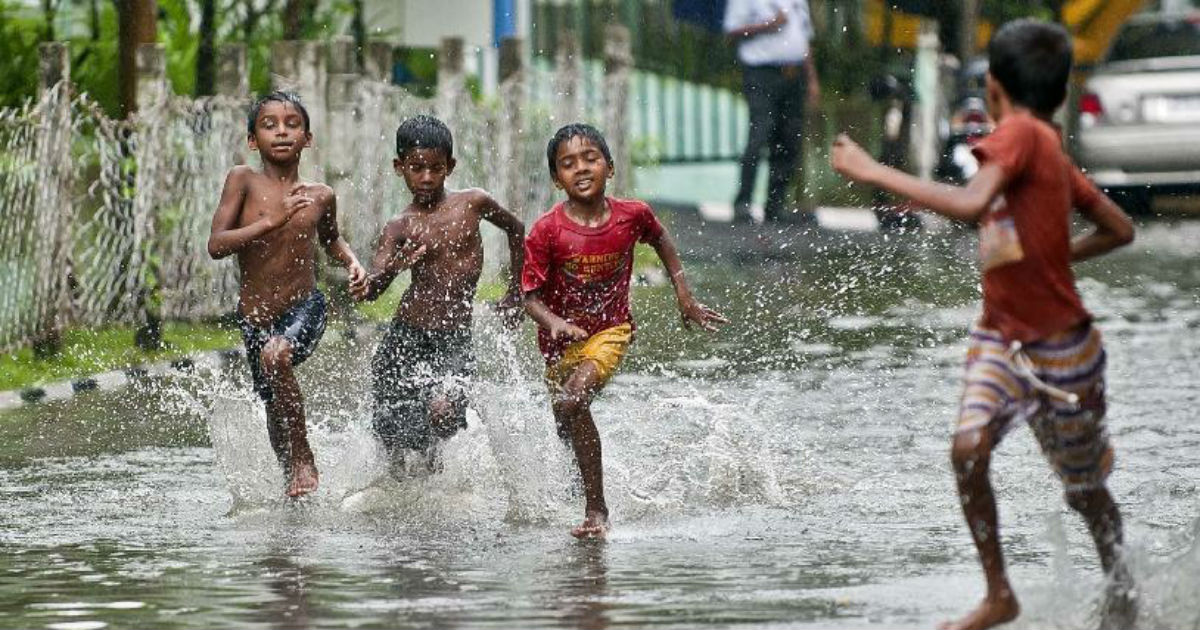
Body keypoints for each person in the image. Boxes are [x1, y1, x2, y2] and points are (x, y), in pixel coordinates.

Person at [832, 19, 1136, 630]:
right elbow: (1117, 228)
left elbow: (971, 204)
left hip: (1060, 350)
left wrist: (873, 172)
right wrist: (1049, 252)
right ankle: (1001, 593)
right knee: (968, 449)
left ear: (993, 87)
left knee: (1082, 490)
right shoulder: (1045, 143)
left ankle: (1121, 587)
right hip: (1001, 340)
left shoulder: (1021, 134)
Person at [523, 123, 728, 538]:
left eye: (590, 158)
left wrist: (683, 294)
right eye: (568, 163)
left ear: (610, 168)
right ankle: (574, 477)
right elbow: (529, 296)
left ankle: (597, 510)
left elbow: (662, 240)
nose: (581, 168)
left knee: (574, 400)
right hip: (560, 344)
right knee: (564, 414)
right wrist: (556, 323)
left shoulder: (632, 215)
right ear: (555, 178)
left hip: (610, 331)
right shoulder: (546, 230)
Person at [208, 91, 366, 498]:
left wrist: (352, 263)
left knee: (277, 355)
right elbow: (217, 244)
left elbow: (332, 241)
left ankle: (304, 459)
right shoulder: (241, 180)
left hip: (304, 307)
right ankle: (289, 481)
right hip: (254, 316)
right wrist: (270, 221)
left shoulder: (320, 195)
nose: (281, 132)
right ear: (252, 140)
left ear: (308, 139)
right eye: (269, 125)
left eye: (292, 124)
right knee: (272, 406)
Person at [350, 115, 525, 473]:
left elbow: (517, 229)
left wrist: (516, 291)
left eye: (436, 168)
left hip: (453, 337)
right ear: (400, 167)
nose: (426, 177)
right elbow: (372, 291)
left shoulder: (473, 203)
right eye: (416, 168)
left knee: (444, 412)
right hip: (405, 335)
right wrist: (396, 267)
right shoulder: (399, 226)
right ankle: (402, 495)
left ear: (451, 166)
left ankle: (437, 479)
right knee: (391, 431)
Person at [724, 0, 821, 224]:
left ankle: (775, 205)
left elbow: (804, 38)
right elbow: (731, 33)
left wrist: (812, 79)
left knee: (789, 139)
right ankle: (743, 203)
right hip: (762, 74)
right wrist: (767, 25)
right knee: (760, 134)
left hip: (793, 75)